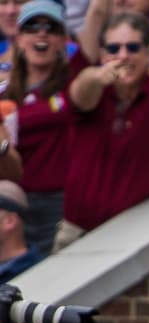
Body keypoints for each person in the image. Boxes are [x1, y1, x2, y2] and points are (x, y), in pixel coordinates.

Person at [55, 12, 149, 252]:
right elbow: (80, 92)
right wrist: (98, 77)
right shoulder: (94, 84)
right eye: (114, 48)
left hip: (140, 237)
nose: (123, 56)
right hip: (79, 234)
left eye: (133, 47)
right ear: (103, 53)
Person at [5, 0, 83, 254]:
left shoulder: (75, 85)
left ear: (63, 39)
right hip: (15, 204)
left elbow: (92, 44)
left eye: (51, 28)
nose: (41, 33)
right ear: (18, 38)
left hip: (61, 202)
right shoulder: (5, 95)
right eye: (31, 27)